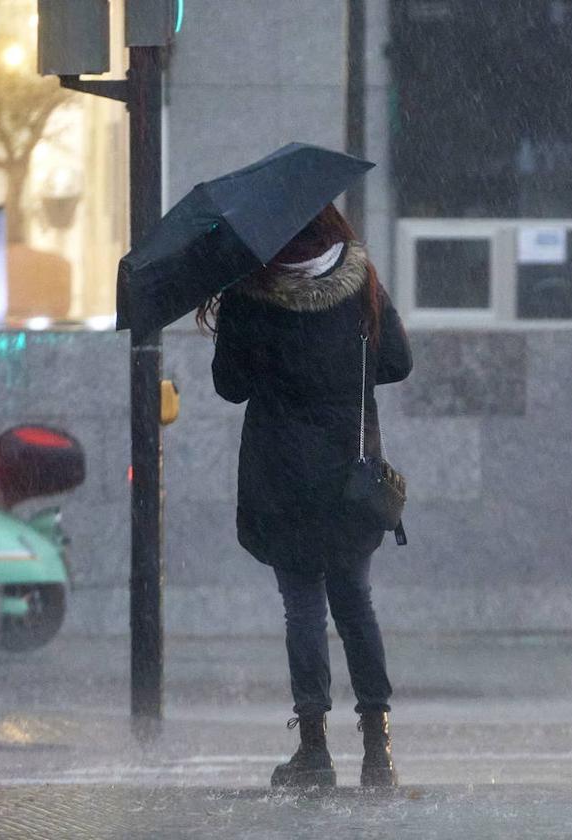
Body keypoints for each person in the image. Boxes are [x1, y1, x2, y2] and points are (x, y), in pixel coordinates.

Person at [199, 202, 413, 788]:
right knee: (356, 605)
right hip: (350, 472)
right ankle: (378, 751)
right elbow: (397, 361)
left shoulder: (252, 291)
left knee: (303, 609)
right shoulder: (360, 277)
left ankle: (314, 751)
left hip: (282, 473)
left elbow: (229, 385)